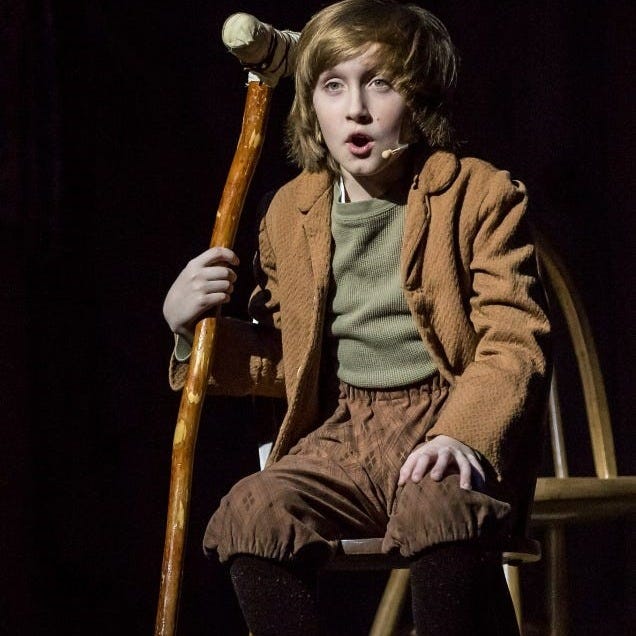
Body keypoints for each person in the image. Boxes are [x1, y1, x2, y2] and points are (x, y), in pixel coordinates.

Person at [163, 1, 551, 634]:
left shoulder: (477, 194)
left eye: (381, 83)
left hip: (445, 417)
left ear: (418, 97)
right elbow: (285, 355)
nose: (357, 110)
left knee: (440, 509)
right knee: (254, 514)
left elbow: (514, 338)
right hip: (343, 431)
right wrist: (189, 331)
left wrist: (463, 434)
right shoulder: (291, 212)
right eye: (333, 86)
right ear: (311, 105)